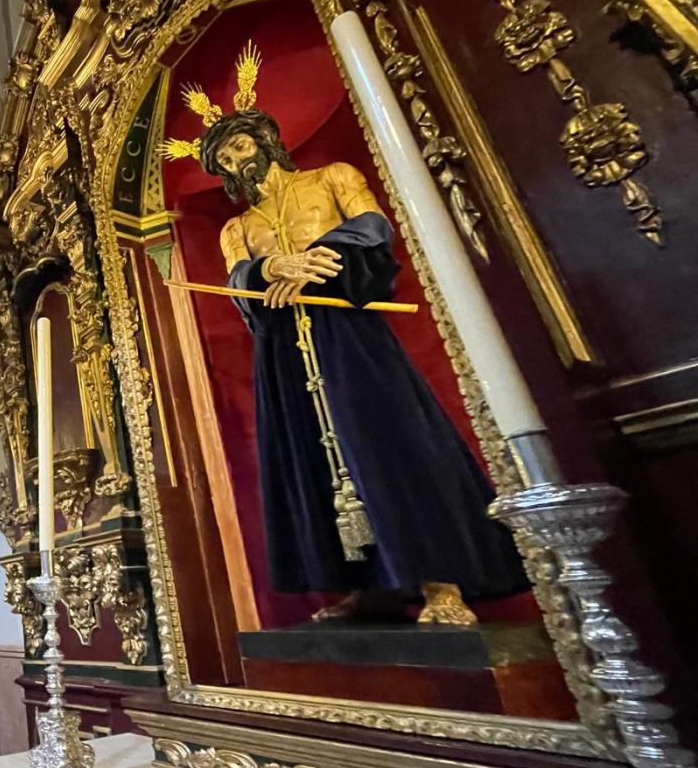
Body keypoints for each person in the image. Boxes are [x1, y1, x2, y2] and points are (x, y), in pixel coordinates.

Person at [164, 61, 527, 625]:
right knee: (310, 457)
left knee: (389, 444)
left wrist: (315, 260)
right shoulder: (237, 228)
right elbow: (239, 285)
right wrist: (270, 270)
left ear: (264, 139)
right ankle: (365, 586)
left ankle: (440, 582)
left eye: (238, 147)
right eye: (224, 162)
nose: (236, 163)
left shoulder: (332, 178)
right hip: (286, 350)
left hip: (347, 333)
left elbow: (372, 229)